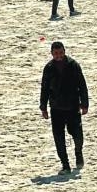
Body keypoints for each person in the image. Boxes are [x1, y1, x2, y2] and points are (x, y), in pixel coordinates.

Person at [40, 41, 88, 175]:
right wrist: (43, 107)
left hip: (73, 106)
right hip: (56, 108)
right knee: (58, 137)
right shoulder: (48, 68)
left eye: (60, 53)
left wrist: (84, 104)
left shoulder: (73, 65)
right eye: (56, 53)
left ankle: (78, 152)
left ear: (64, 51)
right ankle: (65, 164)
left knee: (77, 134)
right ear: (52, 54)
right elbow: (44, 88)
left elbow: (82, 85)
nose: (58, 56)